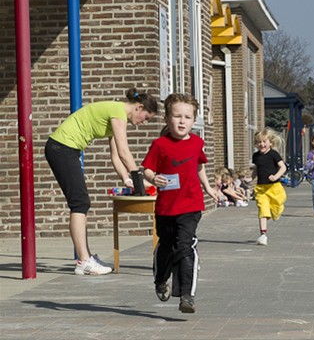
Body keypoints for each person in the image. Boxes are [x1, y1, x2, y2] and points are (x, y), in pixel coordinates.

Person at [45, 88, 158, 275]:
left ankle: (86, 257)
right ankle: (83, 261)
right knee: (79, 203)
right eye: (146, 118)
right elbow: (124, 151)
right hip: (62, 148)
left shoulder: (116, 114)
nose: (143, 123)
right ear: (139, 107)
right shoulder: (118, 112)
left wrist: (127, 180)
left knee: (81, 203)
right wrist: (139, 182)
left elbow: (115, 155)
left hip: (65, 149)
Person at [142, 93, 219, 314]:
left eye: (187, 117)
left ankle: (187, 295)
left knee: (186, 246)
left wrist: (209, 188)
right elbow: (147, 168)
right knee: (167, 246)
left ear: (194, 121)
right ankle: (160, 278)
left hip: (191, 205)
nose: (182, 121)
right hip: (166, 207)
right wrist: (153, 178)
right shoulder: (160, 144)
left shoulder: (197, 143)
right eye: (177, 116)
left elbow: (199, 166)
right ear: (167, 119)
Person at [251, 128, 287, 246]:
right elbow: (256, 169)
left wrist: (276, 176)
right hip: (261, 188)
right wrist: (250, 178)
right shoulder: (256, 156)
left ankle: (276, 210)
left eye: (264, 141)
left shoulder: (273, 154)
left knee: (275, 210)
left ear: (270, 142)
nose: (261, 144)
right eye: (259, 142)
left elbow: (283, 167)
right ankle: (263, 235)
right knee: (263, 210)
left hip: (274, 188)